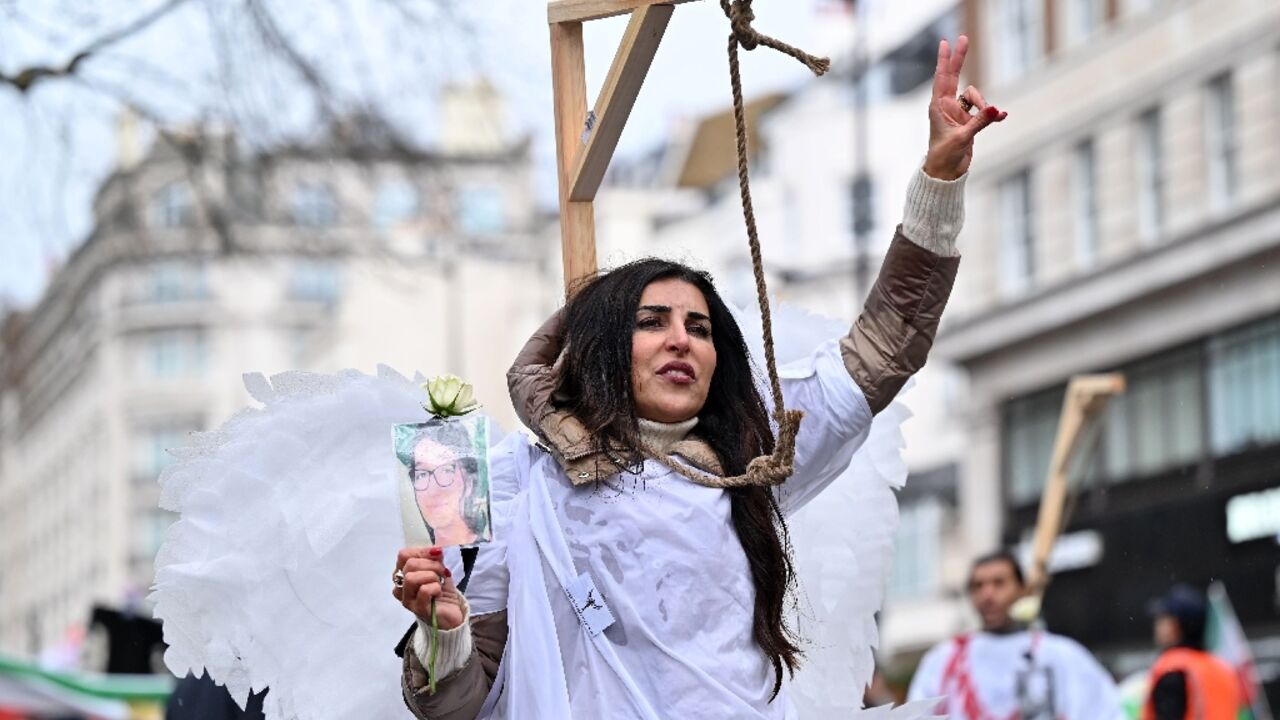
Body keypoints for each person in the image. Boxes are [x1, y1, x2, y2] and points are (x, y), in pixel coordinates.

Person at [391, 35, 1007, 719]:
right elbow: (453, 706)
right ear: (598, 350)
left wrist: (939, 183)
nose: (682, 338)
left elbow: (884, 348)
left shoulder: (754, 459)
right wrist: (441, 633)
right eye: (652, 321)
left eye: (701, 327)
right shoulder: (506, 485)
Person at [907, 550, 1125, 719]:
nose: (987, 594)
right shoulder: (943, 661)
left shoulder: (1062, 655)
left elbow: (1104, 712)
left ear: (1023, 590)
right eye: (978, 586)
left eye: (999, 583)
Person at [1143, 584, 1242, 720]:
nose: (1157, 625)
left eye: (1163, 618)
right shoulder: (1223, 670)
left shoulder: (1174, 669)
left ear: (1175, 626)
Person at [405, 423, 490, 547]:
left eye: (446, 470)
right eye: (422, 474)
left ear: (470, 482)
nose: (433, 491)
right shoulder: (414, 561)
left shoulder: (493, 554)